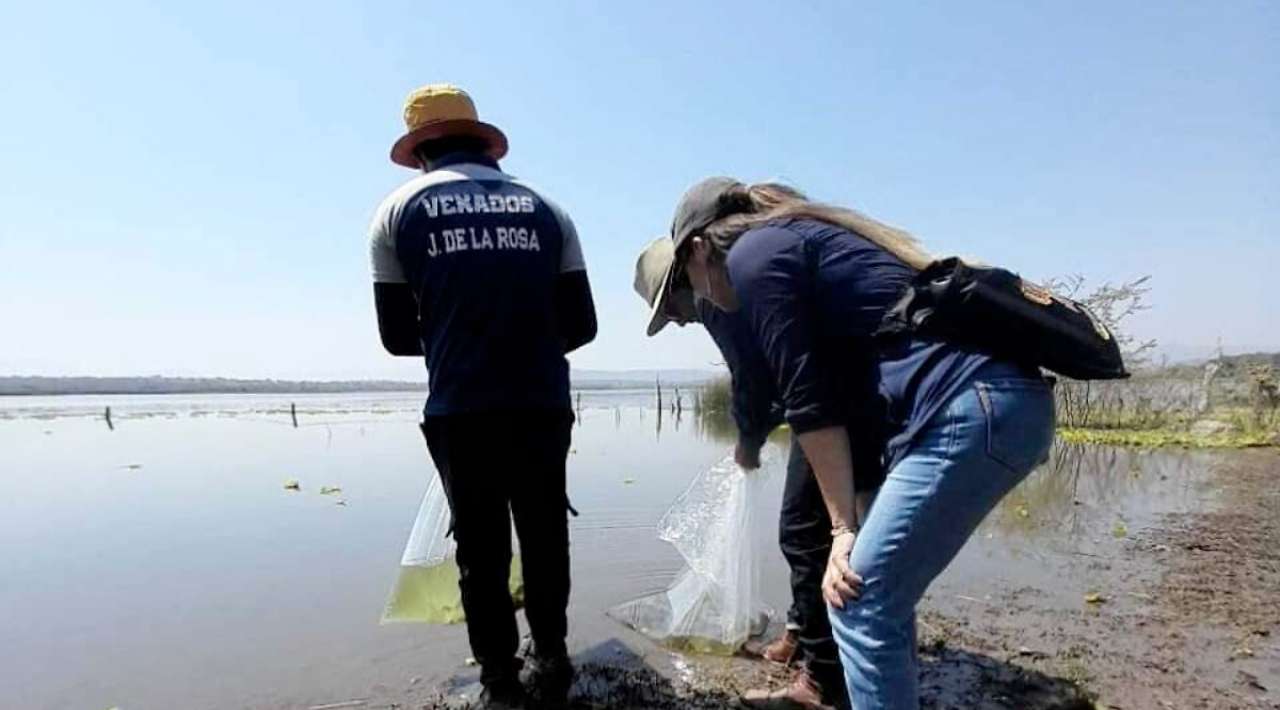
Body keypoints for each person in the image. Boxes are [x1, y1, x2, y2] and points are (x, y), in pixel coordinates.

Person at [646, 178, 1055, 710]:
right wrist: (858, 507)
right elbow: (849, 396)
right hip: (1001, 405)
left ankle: (827, 686)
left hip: (967, 408)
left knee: (858, 601)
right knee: (878, 598)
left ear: (700, 248)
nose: (698, 301)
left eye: (686, 282)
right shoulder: (797, 240)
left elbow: (808, 401)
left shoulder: (753, 257)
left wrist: (842, 530)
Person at [368, 84, 596, 709]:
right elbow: (581, 325)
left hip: (462, 408)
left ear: (420, 151)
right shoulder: (548, 208)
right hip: (541, 403)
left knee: (481, 549)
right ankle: (553, 656)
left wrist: (459, 337)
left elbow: (396, 337)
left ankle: (500, 682)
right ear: (483, 142)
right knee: (545, 535)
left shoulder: (395, 213)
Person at [635, 236, 867, 710]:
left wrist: (747, 440)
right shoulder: (739, 275)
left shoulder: (714, 296)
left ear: (684, 278)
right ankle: (802, 634)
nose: (676, 320)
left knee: (802, 532)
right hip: (837, 391)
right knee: (808, 529)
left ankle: (822, 681)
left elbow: (751, 378)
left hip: (832, 401)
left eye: (670, 308)